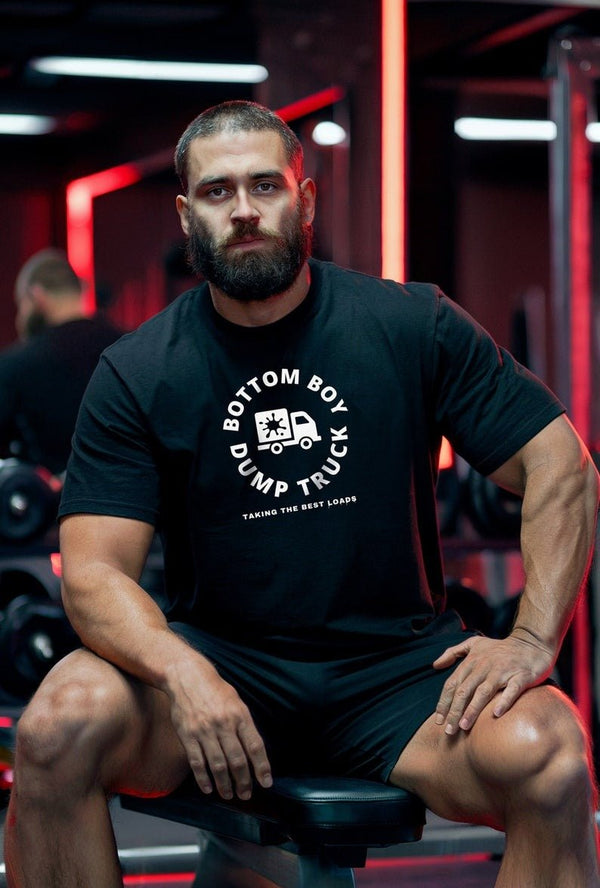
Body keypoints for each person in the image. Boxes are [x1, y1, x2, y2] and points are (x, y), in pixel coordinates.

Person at [4, 101, 599, 888]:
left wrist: (531, 640)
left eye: (265, 186)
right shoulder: (139, 371)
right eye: (218, 194)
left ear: (305, 199)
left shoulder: (410, 325)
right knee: (56, 728)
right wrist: (186, 676)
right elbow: (93, 573)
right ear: (187, 216)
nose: (245, 211)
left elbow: (563, 468)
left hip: (396, 677)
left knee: (551, 757)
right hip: (222, 667)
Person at [0, 249, 122, 475]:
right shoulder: (127, 349)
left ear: (37, 297)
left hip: (49, 506)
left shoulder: (14, 366)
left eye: (21, 305)